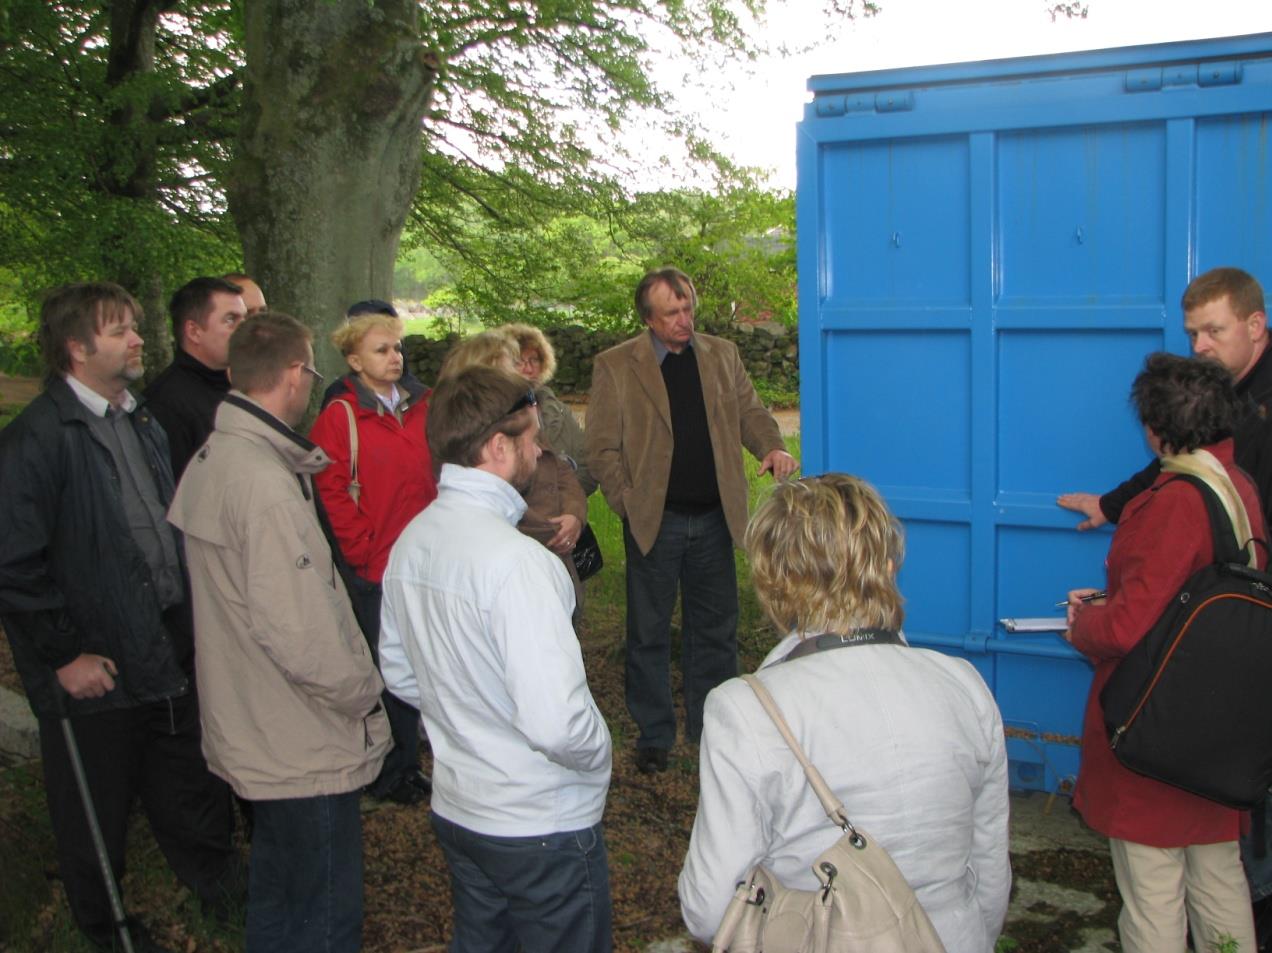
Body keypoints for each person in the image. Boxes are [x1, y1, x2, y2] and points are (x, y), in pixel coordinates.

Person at [0, 282, 238, 953]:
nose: (138, 338)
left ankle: (224, 899)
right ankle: (106, 933)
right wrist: (62, 654)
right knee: (94, 807)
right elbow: (13, 563)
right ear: (77, 347)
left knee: (184, 775)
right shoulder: (36, 440)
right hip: (92, 661)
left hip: (163, 637)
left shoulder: (141, 420)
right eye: (120, 330)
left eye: (135, 325)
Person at [678, 473, 1010, 951]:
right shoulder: (964, 684)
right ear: (889, 563)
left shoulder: (745, 708)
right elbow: (992, 874)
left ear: (775, 580)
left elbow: (709, 909)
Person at [1057, 267, 1272, 939]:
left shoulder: (1172, 503)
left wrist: (1083, 620)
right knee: (1219, 880)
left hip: (1159, 738)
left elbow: (1125, 625)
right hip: (1218, 727)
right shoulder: (1235, 481)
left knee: (1152, 893)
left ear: (1155, 429)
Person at [168, 312, 390, 952]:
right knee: (321, 908)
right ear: (296, 375)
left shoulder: (218, 456)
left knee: (278, 888)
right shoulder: (262, 484)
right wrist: (363, 693)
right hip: (298, 736)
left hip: (255, 719)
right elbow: (299, 632)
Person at [379, 364, 613, 952]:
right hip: (538, 824)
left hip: (461, 808)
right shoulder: (519, 564)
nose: (540, 448)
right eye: (532, 436)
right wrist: (598, 757)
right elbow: (556, 721)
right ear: (498, 447)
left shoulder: (413, 540)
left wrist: (468, 719)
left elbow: (400, 671)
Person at [585, 267, 799, 774]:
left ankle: (713, 729)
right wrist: (630, 502)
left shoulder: (721, 355)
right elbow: (601, 448)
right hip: (652, 523)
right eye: (671, 313)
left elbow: (750, 411)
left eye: (688, 310)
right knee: (648, 633)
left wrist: (771, 445)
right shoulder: (616, 366)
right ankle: (654, 733)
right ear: (647, 319)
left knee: (716, 632)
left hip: (714, 521)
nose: (684, 321)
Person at [308, 309, 437, 806]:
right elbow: (332, 492)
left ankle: (415, 760)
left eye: (397, 349)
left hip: (422, 563)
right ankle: (391, 769)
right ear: (353, 359)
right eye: (382, 350)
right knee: (387, 670)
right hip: (377, 568)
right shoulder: (339, 418)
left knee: (423, 661)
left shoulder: (421, 406)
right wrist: (362, 551)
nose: (394, 358)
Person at [1059, 267, 1272, 530]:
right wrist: (1110, 505)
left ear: (1255, 326)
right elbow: (1181, 454)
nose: (1198, 347)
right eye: (1193, 333)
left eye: (1213, 331)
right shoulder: (1218, 383)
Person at [440, 332, 588, 611]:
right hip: (516, 563)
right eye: (513, 363)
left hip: (547, 559)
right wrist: (551, 531)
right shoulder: (469, 429)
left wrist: (574, 516)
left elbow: (562, 470)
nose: (522, 370)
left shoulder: (520, 411)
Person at [143, 276, 247, 478]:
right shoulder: (165, 404)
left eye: (245, 319)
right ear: (194, 331)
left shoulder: (242, 388)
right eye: (231, 320)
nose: (245, 330)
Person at [500, 321, 596, 494]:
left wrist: (571, 508)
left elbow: (586, 469)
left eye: (534, 360)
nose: (528, 368)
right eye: (518, 361)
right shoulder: (489, 413)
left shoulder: (559, 410)